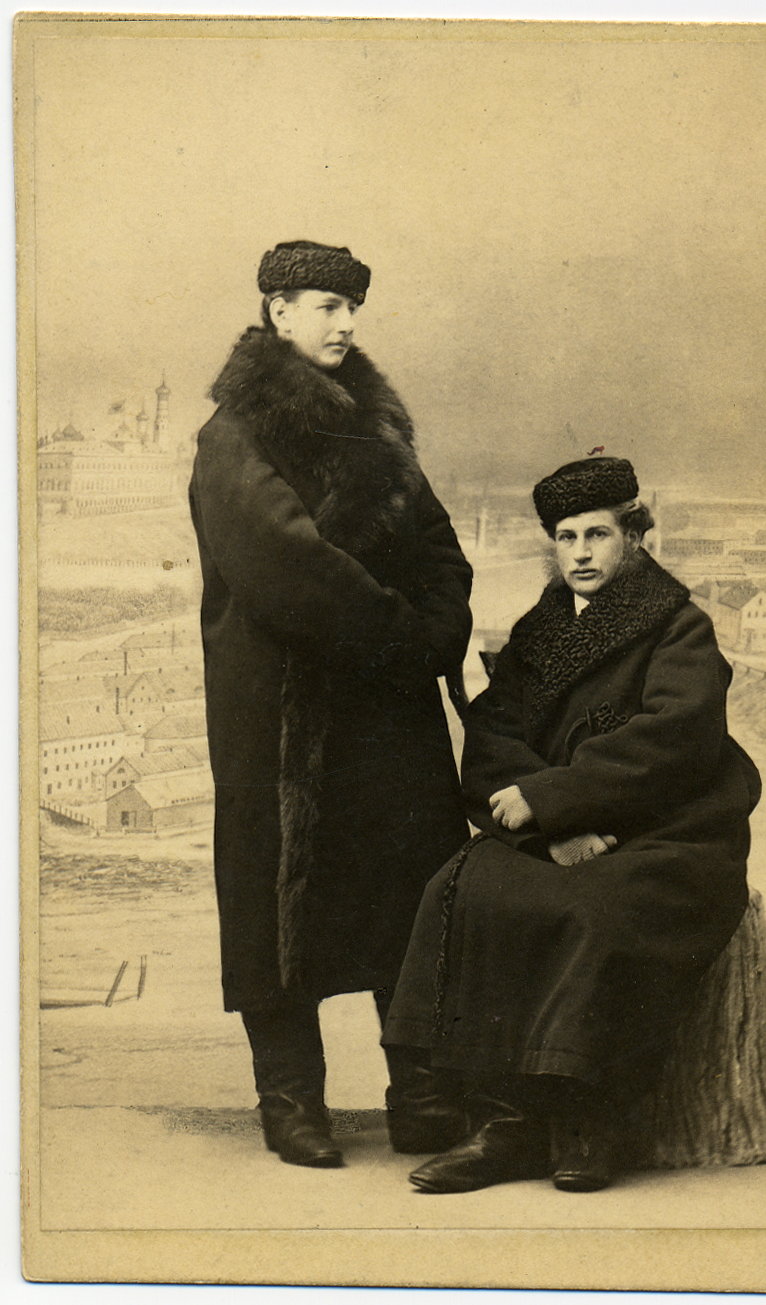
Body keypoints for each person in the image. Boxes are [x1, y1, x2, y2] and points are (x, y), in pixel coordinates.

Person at [381, 455, 762, 1194]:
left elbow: (676, 739)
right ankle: (507, 1120)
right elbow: (493, 737)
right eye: (565, 537)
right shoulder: (542, 629)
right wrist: (547, 831)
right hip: (563, 827)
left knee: (593, 911)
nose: (581, 553)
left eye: (598, 534)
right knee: (466, 889)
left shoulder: (678, 625)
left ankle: (586, 1114)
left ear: (635, 538)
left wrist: (556, 797)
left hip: (670, 830)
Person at [189, 240, 473, 1169]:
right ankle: (290, 1098)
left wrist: (437, 631)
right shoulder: (236, 433)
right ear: (277, 311)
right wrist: (406, 638)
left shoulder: (378, 424)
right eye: (324, 305)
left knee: (408, 881)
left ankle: (421, 1093)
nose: (345, 323)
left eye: (353, 306)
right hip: (285, 712)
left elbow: (441, 547)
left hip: (386, 710)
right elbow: (290, 568)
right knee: (282, 892)